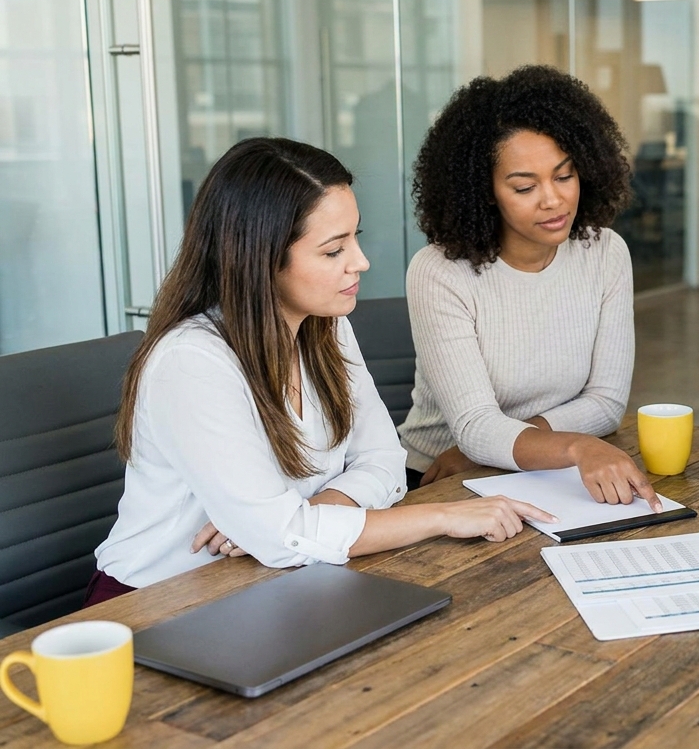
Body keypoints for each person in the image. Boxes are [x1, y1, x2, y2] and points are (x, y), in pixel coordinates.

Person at [88, 138, 552, 606]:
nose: (360, 262)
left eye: (355, 237)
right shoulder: (191, 362)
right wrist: (443, 517)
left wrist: (311, 516)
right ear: (261, 259)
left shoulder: (325, 325)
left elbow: (384, 461)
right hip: (154, 603)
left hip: (271, 584)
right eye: (333, 251)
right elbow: (283, 539)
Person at [399, 65, 661, 512]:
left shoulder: (605, 252)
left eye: (564, 176)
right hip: (439, 479)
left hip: (545, 471)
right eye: (524, 187)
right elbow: (475, 426)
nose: (553, 200)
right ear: (484, 191)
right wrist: (576, 445)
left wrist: (499, 443)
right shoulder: (439, 272)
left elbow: (606, 403)